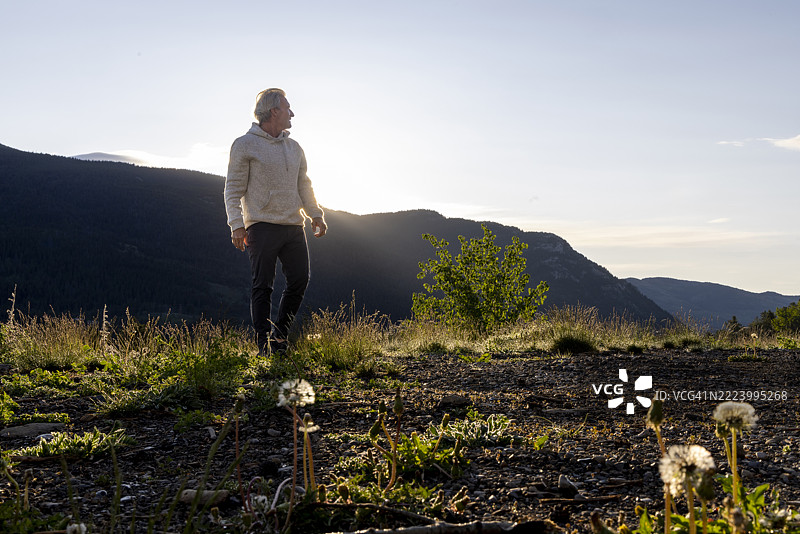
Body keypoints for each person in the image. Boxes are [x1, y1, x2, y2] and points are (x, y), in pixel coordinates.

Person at [224, 88, 327, 354]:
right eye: (287, 108)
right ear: (274, 112)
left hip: (294, 226)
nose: (292, 113)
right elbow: (233, 189)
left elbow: (304, 184)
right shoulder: (244, 144)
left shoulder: (294, 148)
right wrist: (237, 224)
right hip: (261, 226)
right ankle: (263, 345)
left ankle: (280, 337)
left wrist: (315, 214)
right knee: (263, 285)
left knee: (300, 280)